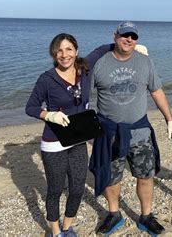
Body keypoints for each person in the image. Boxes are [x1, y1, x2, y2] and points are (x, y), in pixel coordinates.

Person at [89, 21, 172, 235]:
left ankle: (146, 216)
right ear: (115, 36)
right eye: (124, 35)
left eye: (133, 36)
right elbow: (83, 97)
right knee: (111, 176)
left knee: (145, 175)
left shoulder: (145, 62)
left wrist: (170, 119)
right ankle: (113, 214)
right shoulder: (99, 64)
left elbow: (157, 92)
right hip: (109, 132)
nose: (129, 39)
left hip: (140, 132)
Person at [26, 33, 112, 237]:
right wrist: (49, 115)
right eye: (59, 50)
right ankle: (56, 232)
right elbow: (31, 107)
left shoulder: (85, 68)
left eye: (68, 49)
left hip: (78, 138)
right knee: (55, 190)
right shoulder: (47, 79)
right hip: (53, 143)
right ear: (54, 54)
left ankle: (67, 227)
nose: (64, 55)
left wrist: (132, 48)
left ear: (76, 51)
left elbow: (102, 49)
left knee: (76, 189)